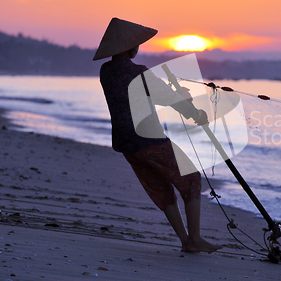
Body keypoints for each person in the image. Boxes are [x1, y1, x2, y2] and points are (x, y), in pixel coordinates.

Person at [93, 17, 221, 253]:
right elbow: (168, 99)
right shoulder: (139, 73)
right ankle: (194, 239)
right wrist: (194, 112)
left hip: (126, 143)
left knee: (160, 187)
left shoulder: (106, 72)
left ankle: (186, 241)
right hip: (148, 139)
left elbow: (153, 95)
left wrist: (177, 96)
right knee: (191, 178)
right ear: (131, 48)